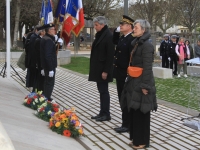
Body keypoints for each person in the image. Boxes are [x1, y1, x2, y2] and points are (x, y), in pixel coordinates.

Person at [120, 19, 157, 149]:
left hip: (142, 82)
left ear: (143, 30)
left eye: (136, 27)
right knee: (134, 111)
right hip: (134, 81)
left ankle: (142, 141)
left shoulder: (147, 45)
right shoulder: (136, 43)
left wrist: (145, 86)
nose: (133, 29)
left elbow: (147, 67)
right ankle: (136, 137)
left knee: (142, 112)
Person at [89, 16, 115, 122]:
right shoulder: (100, 34)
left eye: (96, 25)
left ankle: (106, 113)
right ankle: (102, 112)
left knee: (104, 91)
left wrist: (106, 71)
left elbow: (110, 55)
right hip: (98, 68)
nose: (95, 27)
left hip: (103, 69)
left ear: (102, 25)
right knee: (101, 91)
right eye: (94, 25)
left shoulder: (108, 36)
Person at [112, 15, 135, 133]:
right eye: (120, 24)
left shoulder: (131, 39)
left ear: (129, 26)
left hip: (126, 74)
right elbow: (114, 41)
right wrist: (116, 32)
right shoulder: (123, 38)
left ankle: (127, 124)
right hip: (120, 73)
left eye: (122, 25)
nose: (120, 26)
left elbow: (132, 58)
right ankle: (125, 123)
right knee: (122, 99)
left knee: (126, 100)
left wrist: (128, 74)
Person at [40, 24, 57, 101]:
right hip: (49, 66)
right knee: (50, 83)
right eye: (53, 29)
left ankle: (45, 97)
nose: (55, 31)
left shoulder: (45, 38)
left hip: (45, 66)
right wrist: (50, 69)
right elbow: (48, 55)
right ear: (49, 30)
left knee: (46, 82)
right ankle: (47, 98)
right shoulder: (48, 40)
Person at [34, 27, 46, 92]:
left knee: (40, 77)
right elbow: (40, 53)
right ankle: (40, 90)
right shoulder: (39, 40)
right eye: (44, 31)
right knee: (40, 77)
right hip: (40, 62)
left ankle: (39, 89)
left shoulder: (39, 39)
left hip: (39, 61)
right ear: (41, 32)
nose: (45, 33)